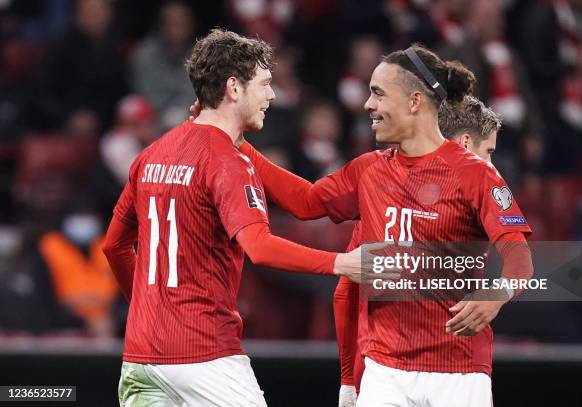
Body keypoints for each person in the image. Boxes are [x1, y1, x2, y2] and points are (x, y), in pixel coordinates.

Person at [220, 45, 533, 406]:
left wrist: (494, 295)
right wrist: (242, 146)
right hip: (385, 372)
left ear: (414, 102)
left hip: (459, 372)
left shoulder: (475, 174)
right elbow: (306, 203)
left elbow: (519, 256)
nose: (368, 104)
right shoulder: (368, 169)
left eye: (378, 93)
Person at [102, 29, 366, 407]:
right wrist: (340, 262)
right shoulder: (227, 163)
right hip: (205, 355)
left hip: (142, 357)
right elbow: (258, 247)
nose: (271, 95)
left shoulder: (151, 154)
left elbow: (114, 246)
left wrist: (148, 312)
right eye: (265, 84)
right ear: (234, 88)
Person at [334, 94, 503, 407]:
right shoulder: (479, 188)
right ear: (466, 143)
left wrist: (348, 379)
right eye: (489, 151)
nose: (492, 164)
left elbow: (345, 292)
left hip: (413, 369)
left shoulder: (384, 196)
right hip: (429, 368)